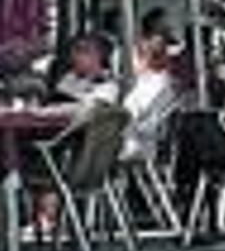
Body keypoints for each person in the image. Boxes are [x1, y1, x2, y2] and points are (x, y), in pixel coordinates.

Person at [122, 29, 179, 162]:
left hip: (141, 144)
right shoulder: (166, 82)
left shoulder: (146, 88)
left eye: (135, 59)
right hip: (153, 140)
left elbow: (131, 118)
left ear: (145, 60)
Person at [51, 33, 120, 106]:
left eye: (83, 51)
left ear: (99, 56)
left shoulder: (108, 86)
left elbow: (91, 109)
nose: (75, 57)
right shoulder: (69, 78)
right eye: (74, 51)